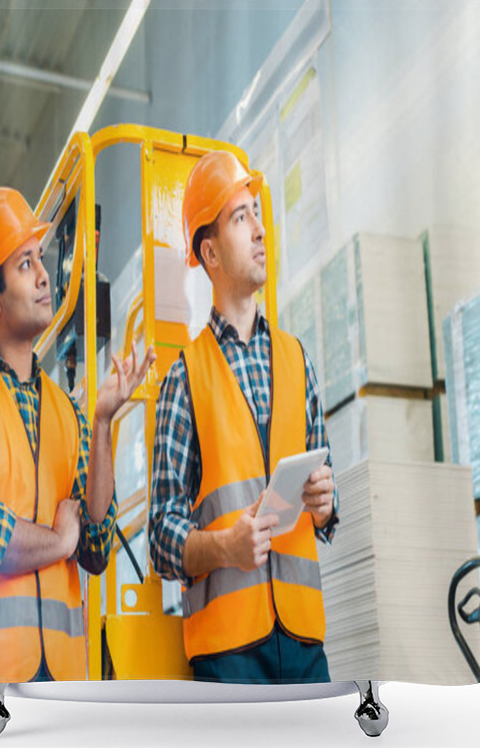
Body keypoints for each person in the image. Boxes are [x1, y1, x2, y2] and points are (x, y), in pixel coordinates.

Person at [0, 187, 155, 685]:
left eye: (41, 259)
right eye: (25, 264)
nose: (46, 276)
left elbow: (94, 546)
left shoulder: (66, 412)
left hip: (62, 687)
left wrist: (102, 424)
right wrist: (58, 539)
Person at [148, 151, 338, 684]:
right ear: (208, 252)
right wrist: (223, 546)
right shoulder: (184, 376)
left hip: (303, 643)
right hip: (228, 654)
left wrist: (326, 502)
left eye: (256, 213)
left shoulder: (297, 359)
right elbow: (161, 535)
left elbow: (324, 497)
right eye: (240, 217)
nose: (259, 230)